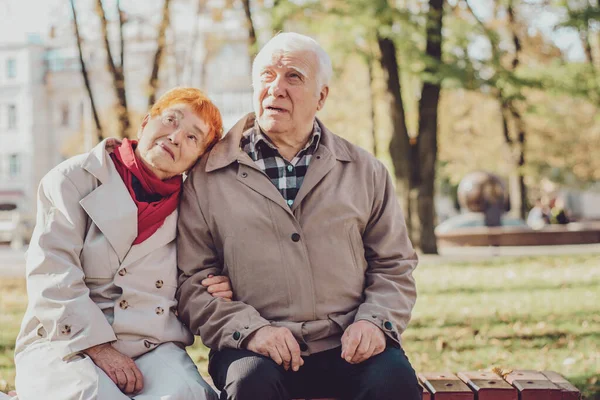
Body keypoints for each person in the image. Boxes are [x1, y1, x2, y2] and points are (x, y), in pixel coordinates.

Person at [176, 33, 421, 400]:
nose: (276, 89)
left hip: (350, 340)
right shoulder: (206, 177)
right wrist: (251, 331)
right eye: (267, 76)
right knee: (249, 383)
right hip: (254, 344)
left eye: (294, 77)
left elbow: (394, 263)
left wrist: (374, 322)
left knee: (394, 384)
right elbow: (192, 282)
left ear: (321, 97)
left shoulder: (364, 170)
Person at [14, 88, 233, 400]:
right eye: (171, 120)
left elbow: (195, 278)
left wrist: (215, 285)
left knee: (191, 395)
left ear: (196, 160)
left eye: (192, 138)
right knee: (93, 395)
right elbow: (52, 273)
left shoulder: (194, 209)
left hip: (151, 345)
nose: (175, 137)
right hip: (65, 340)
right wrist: (99, 348)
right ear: (145, 123)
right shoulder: (73, 179)